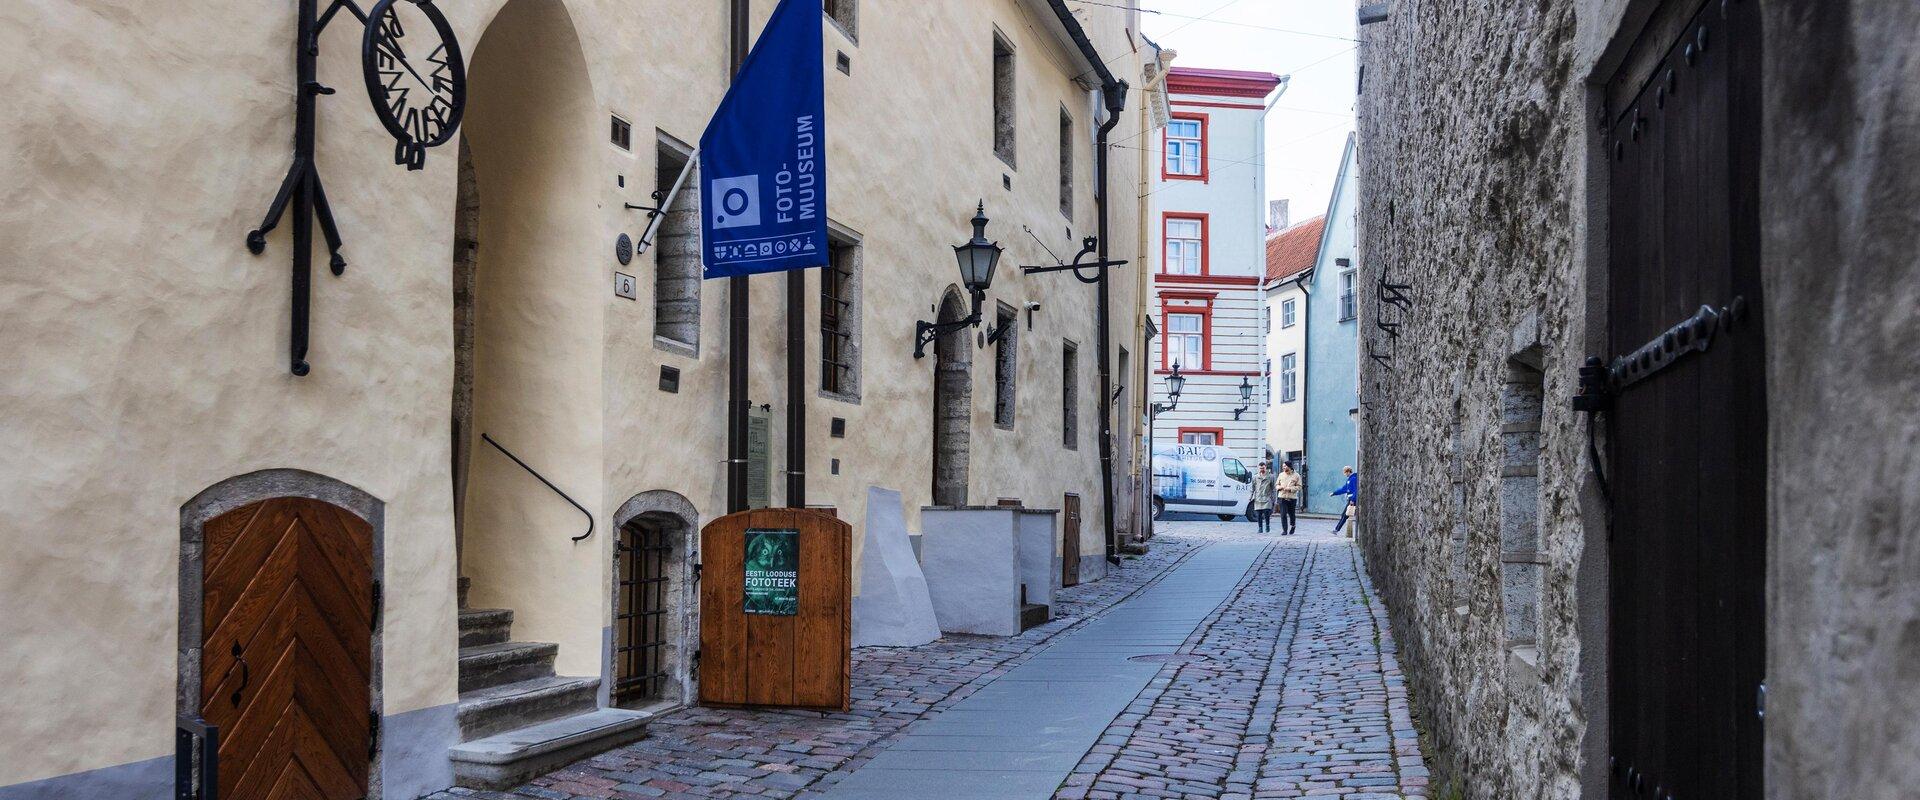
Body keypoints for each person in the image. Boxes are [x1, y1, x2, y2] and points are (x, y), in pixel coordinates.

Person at [1274, 462, 1302, 535]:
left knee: (1291, 514)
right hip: (1282, 497)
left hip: (1292, 498)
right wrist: (1279, 488)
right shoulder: (1281, 475)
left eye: (1285, 466)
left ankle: (1293, 525)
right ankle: (1285, 530)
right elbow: (1276, 484)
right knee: (1283, 514)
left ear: (1289, 467)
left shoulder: (1297, 476)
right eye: (1283, 466)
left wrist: (1290, 489)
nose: (1283, 467)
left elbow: (1299, 487)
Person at [1331, 466, 1359, 535]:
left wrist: (1353, 500)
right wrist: (1334, 493)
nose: (1345, 474)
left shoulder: (1353, 479)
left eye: (1345, 472)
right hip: (1350, 500)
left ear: (1348, 471)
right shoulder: (1349, 480)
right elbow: (1343, 489)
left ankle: (1336, 530)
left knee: (1345, 515)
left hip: (1352, 500)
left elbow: (1356, 490)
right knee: (1344, 515)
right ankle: (1336, 529)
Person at [1249, 462, 1275, 533]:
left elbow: (1273, 488)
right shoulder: (1255, 477)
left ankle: (1267, 526)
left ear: (1266, 467)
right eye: (1260, 468)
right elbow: (1253, 488)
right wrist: (1250, 497)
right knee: (1259, 514)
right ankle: (1260, 528)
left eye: (1263, 468)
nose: (1261, 469)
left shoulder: (1271, 476)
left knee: (1266, 513)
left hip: (1267, 497)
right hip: (1258, 497)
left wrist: (1273, 498)